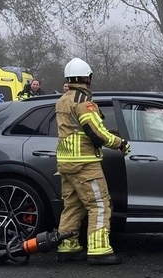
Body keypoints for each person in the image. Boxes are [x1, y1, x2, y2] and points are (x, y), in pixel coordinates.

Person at [54, 57, 129, 265]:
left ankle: (68, 247)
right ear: (88, 77)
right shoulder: (83, 102)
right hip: (85, 163)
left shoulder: (63, 99)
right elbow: (96, 134)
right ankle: (99, 250)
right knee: (99, 205)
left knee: (73, 206)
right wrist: (120, 143)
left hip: (66, 163)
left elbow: (78, 130)